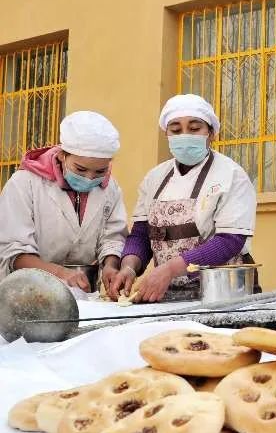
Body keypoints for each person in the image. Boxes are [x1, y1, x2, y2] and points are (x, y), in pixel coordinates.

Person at [109, 94, 257, 302]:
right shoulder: (155, 178)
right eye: (176, 130)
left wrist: (170, 269)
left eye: (195, 128)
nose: (184, 135)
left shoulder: (231, 175)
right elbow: (141, 234)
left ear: (211, 133)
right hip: (167, 295)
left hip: (222, 294)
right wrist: (129, 267)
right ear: (167, 134)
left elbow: (229, 242)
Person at [0, 111, 128, 292]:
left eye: (100, 171)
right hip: (26, 293)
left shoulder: (110, 188)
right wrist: (60, 273)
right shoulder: (24, 183)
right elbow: (14, 251)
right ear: (62, 155)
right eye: (80, 169)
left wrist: (111, 265)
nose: (90, 178)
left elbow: (113, 237)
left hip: (85, 293)